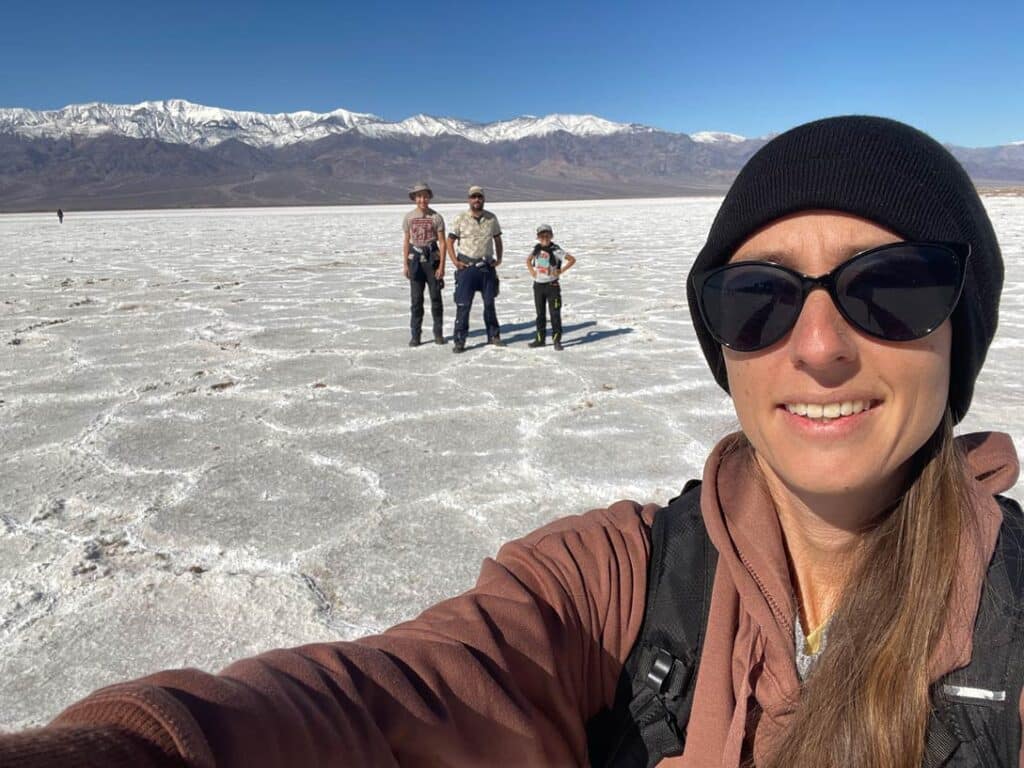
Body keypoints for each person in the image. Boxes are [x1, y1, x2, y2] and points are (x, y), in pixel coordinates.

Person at [0, 116, 1020, 768]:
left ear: (959, 327)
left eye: (889, 288)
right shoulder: (622, 580)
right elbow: (409, 700)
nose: (818, 347)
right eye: (757, 299)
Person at [447, 185, 503, 353]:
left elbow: (498, 240)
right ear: (469, 199)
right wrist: (455, 262)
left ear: (483, 199)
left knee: (489, 303)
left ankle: (493, 335)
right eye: (473, 197)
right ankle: (459, 340)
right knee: (463, 305)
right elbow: (449, 241)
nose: (476, 200)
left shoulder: (491, 219)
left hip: (486, 267)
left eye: (479, 197)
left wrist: (499, 259)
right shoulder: (460, 219)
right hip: (467, 268)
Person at [402, 182, 446, 346]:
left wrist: (442, 266)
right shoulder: (409, 217)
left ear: (429, 198)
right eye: (419, 196)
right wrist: (405, 264)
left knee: (436, 298)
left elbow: (442, 243)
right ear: (414, 198)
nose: (422, 199)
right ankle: (416, 335)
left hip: (432, 261)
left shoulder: (436, 217)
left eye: (425, 196)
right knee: (416, 301)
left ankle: (438, 333)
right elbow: (406, 241)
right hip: (415, 263)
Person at [526, 223, 576, 350]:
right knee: (540, 314)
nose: (545, 238)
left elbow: (571, 259)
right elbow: (528, 260)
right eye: (542, 236)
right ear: (538, 237)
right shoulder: (536, 249)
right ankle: (540, 339)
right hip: (538, 286)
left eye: (547, 235)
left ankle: (556, 340)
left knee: (554, 314)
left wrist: (561, 271)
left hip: (552, 286)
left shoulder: (556, 250)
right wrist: (532, 271)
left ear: (551, 236)